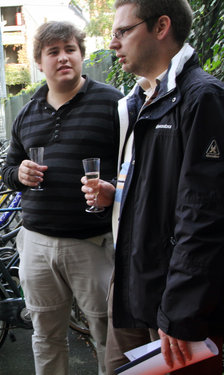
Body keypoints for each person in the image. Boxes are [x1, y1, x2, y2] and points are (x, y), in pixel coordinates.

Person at [82, 1, 224, 373]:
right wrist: (119, 196)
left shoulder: (200, 97)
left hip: (172, 298)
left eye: (122, 31)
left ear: (161, 27)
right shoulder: (138, 102)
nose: (113, 43)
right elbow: (160, 191)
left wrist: (180, 308)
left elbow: (204, 214)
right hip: (131, 287)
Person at [1, 21, 123, 375]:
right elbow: (10, 169)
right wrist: (19, 174)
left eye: (70, 49)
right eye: (53, 51)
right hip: (37, 243)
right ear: (40, 61)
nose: (63, 57)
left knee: (107, 333)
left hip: (92, 243)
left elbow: (137, 167)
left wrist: (112, 189)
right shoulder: (27, 112)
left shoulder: (112, 103)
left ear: (81, 54)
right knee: (45, 335)